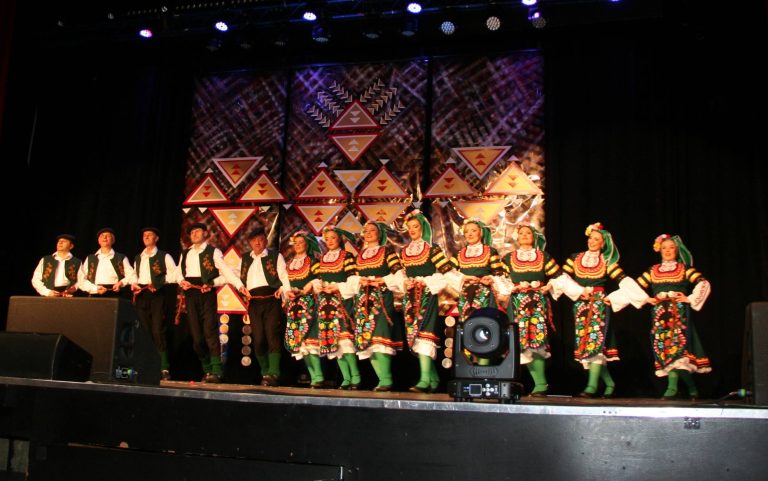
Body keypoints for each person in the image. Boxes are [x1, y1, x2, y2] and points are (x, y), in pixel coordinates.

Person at [562, 222, 647, 398]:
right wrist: (577, 291)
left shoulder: (606, 262)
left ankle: (591, 386)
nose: (592, 242)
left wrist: (624, 297)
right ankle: (609, 383)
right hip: (580, 306)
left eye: (597, 240)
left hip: (599, 305)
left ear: (603, 244)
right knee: (586, 346)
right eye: (591, 238)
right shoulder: (575, 258)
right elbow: (562, 277)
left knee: (595, 344)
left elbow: (623, 280)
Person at [502, 224, 581, 397]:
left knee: (537, 341)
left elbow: (559, 276)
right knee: (522, 342)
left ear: (534, 237)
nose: (524, 235)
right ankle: (540, 383)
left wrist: (549, 286)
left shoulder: (543, 257)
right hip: (518, 304)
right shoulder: (508, 258)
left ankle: (541, 384)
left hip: (537, 302)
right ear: (517, 237)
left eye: (528, 233)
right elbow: (501, 278)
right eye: (521, 233)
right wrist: (511, 287)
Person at [637, 234, 712, 400]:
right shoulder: (653, 270)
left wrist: (689, 298)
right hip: (659, 315)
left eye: (671, 248)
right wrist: (646, 299)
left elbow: (703, 282)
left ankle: (672, 388)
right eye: (664, 248)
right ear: (659, 251)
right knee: (666, 349)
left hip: (678, 314)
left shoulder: (684, 269)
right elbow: (636, 286)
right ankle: (692, 387)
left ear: (677, 251)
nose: (667, 251)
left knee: (677, 350)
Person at [175, 222, 244, 383]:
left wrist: (235, 285)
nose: (194, 234)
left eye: (197, 231)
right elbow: (178, 273)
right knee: (197, 337)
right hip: (191, 295)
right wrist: (181, 281)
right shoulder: (186, 253)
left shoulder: (213, 252)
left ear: (205, 233)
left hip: (206, 294)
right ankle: (207, 369)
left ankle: (217, 370)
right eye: (192, 232)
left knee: (210, 332)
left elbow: (226, 273)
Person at [400, 210, 454, 393]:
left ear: (423, 228)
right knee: (414, 335)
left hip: (427, 296)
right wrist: (405, 282)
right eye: (410, 227)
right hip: (410, 298)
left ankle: (424, 380)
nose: (412, 230)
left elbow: (446, 271)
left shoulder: (432, 249)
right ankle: (433, 378)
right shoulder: (405, 251)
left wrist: (427, 282)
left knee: (425, 334)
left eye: (416, 226)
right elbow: (402, 273)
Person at [350, 221, 405, 391]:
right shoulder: (360, 255)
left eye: (372, 230)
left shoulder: (387, 251)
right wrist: (360, 280)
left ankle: (387, 379)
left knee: (381, 336)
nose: (368, 233)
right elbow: (352, 276)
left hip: (381, 298)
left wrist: (383, 280)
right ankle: (382, 379)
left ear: (380, 233)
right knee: (367, 339)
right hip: (363, 300)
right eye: (366, 231)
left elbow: (399, 273)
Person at [237, 226, 292, 387]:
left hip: (271, 300)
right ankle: (265, 371)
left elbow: (284, 276)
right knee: (259, 338)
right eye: (254, 241)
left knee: (272, 335)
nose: (257, 243)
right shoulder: (245, 258)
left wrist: (284, 291)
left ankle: (274, 373)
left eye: (261, 240)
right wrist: (240, 287)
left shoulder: (275, 256)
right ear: (250, 243)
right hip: (254, 302)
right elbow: (234, 275)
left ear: (266, 241)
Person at [312, 225, 361, 389]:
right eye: (327, 239)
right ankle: (346, 378)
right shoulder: (323, 258)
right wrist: (320, 286)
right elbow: (319, 278)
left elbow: (353, 280)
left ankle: (356, 376)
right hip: (326, 303)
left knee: (345, 340)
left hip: (342, 302)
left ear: (339, 239)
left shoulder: (347, 256)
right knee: (334, 342)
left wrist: (337, 287)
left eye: (333, 238)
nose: (330, 241)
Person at [130, 227, 178, 381]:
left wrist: (159, 282)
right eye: (144, 235)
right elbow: (134, 275)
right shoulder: (139, 257)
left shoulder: (164, 256)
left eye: (149, 235)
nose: (146, 237)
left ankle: (164, 367)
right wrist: (134, 284)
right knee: (143, 331)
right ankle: (146, 365)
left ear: (156, 238)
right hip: (142, 295)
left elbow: (175, 274)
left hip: (157, 295)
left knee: (158, 330)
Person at [283, 231, 323, 387]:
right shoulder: (289, 263)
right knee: (300, 342)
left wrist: (309, 285)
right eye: (296, 243)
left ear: (307, 244)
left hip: (309, 303)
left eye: (301, 242)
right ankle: (313, 376)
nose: (298, 245)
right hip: (294, 305)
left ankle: (318, 376)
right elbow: (285, 282)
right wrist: (286, 292)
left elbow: (320, 279)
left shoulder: (313, 261)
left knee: (310, 339)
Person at [448, 218, 507, 323]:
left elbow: (499, 274)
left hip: (484, 292)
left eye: (473, 231)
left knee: (484, 321)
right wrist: (464, 277)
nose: (470, 234)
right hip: (465, 293)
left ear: (481, 233)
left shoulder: (491, 251)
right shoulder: (458, 253)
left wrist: (490, 278)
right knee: (467, 322)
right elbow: (449, 273)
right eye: (466, 231)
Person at [78, 228, 135, 298]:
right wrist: (95, 289)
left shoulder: (121, 257)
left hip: (115, 294)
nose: (104, 237)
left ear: (113, 240)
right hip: (96, 293)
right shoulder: (90, 258)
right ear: (98, 241)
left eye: (108, 236)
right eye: (102, 236)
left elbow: (131, 275)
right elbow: (81, 280)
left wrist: (121, 283)